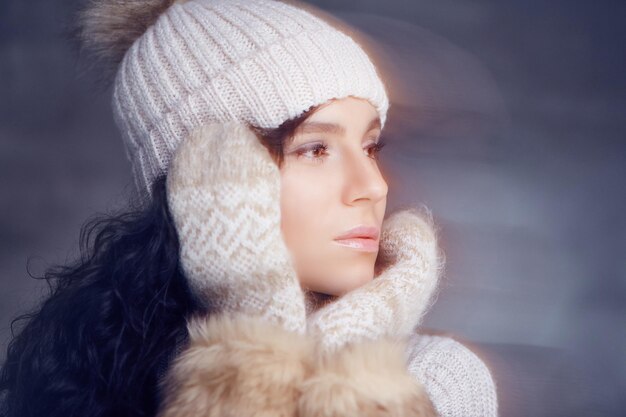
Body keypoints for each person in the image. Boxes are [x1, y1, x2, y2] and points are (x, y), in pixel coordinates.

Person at [0, 0, 499, 416]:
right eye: (315, 149)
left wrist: (251, 352)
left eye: (370, 147)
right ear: (211, 179)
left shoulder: (439, 379)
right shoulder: (92, 376)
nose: (373, 185)